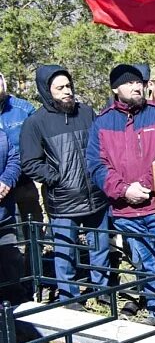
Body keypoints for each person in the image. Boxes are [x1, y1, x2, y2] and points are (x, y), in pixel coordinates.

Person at [87, 64, 155, 325]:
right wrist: (124, 190)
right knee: (144, 262)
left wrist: (145, 185)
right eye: (129, 83)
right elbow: (96, 165)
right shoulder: (102, 123)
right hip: (124, 211)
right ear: (115, 89)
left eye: (139, 82)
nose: (136, 87)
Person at [20, 65, 110, 309]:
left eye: (68, 86)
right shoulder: (35, 123)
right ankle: (69, 298)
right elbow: (30, 162)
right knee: (64, 251)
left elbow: (102, 147)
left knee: (100, 245)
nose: (67, 91)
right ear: (47, 91)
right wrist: (57, 178)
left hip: (96, 195)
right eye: (60, 88)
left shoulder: (87, 113)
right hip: (63, 200)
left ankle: (102, 290)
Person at [0, 71, 42, 243]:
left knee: (33, 228)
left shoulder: (23, 109)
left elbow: (39, 142)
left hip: (24, 181)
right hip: (0, 189)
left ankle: (33, 266)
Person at [0, 127, 23, 305]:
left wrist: (6, 180)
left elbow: (14, 159)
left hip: (4, 217)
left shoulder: (1, 134)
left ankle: (16, 309)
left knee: (10, 263)